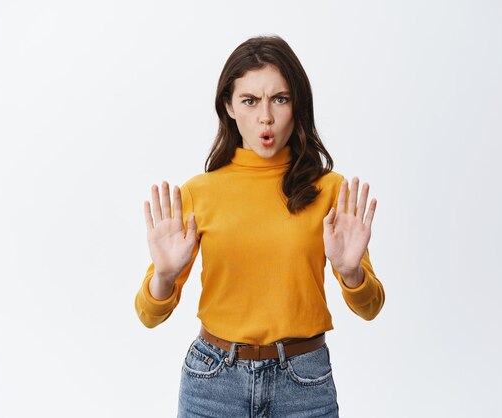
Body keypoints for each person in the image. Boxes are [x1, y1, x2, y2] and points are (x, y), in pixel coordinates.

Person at [134, 35, 385, 418]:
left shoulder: (331, 190)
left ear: (296, 104)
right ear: (229, 107)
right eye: (249, 101)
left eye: (279, 99)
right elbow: (148, 314)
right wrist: (165, 277)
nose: (265, 117)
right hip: (213, 381)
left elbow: (371, 308)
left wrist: (351, 273)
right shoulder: (198, 194)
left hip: (304, 383)